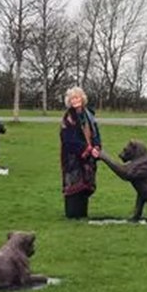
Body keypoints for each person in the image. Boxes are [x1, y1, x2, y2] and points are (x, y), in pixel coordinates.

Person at [59, 86, 101, 219]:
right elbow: (68, 140)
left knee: (85, 185)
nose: (75, 100)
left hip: (88, 158)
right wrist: (86, 149)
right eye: (72, 99)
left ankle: (82, 213)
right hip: (72, 158)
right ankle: (72, 214)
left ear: (82, 99)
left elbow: (96, 134)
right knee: (73, 185)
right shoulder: (68, 118)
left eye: (77, 97)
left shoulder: (90, 116)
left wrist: (96, 147)